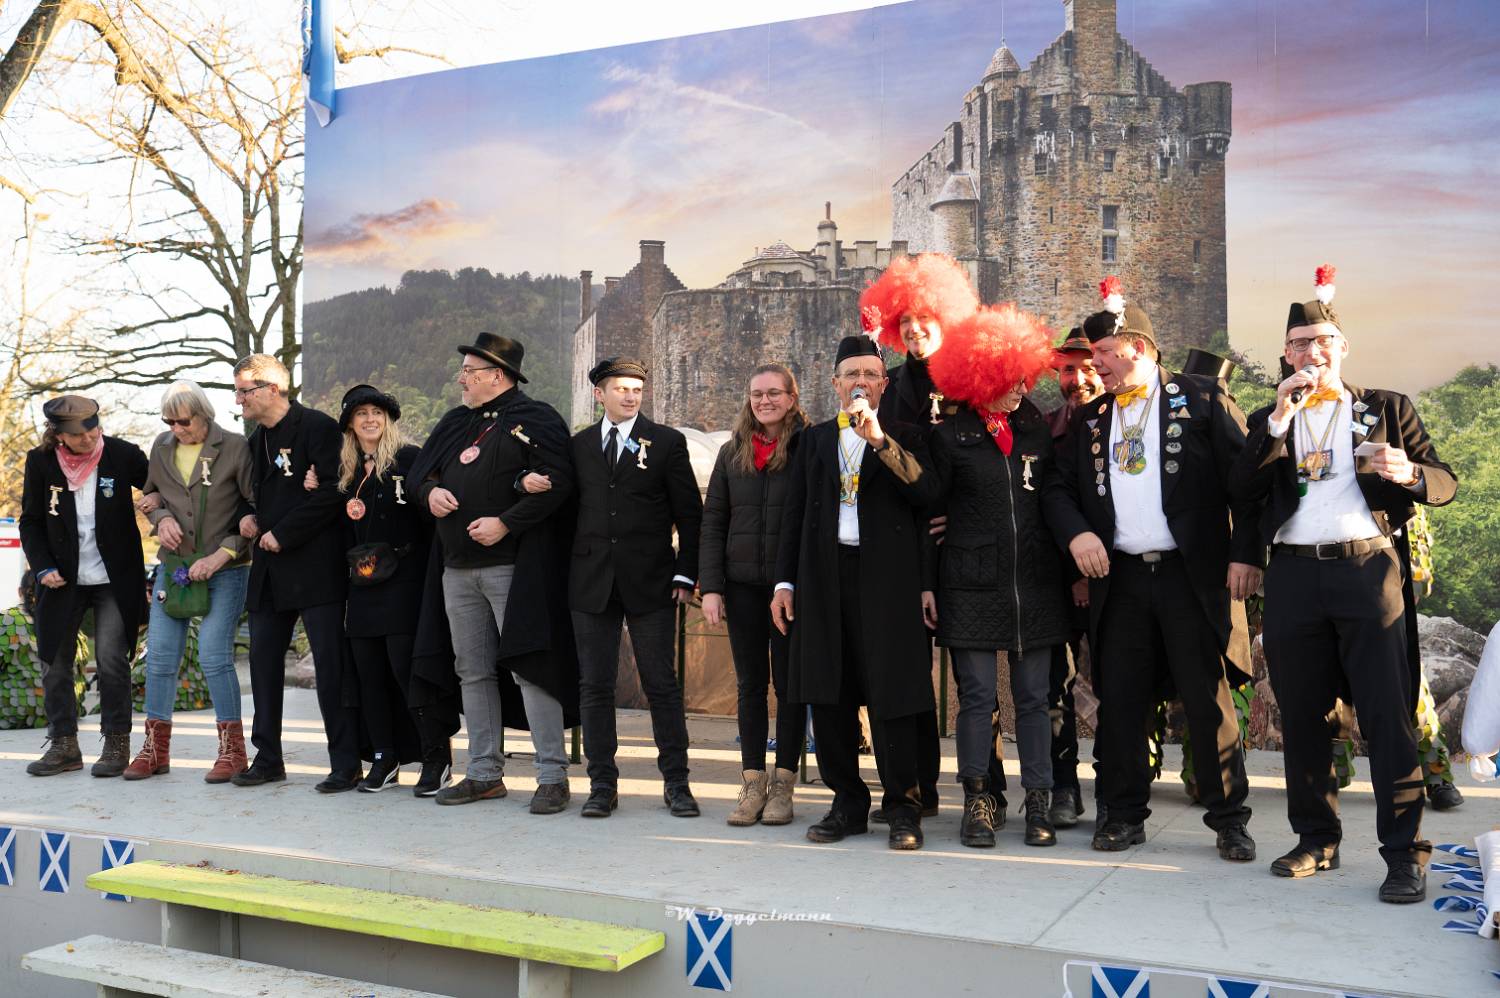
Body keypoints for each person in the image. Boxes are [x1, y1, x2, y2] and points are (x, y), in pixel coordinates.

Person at [1228, 265, 1456, 903]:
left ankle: (1404, 855)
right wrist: (1278, 421)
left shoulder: (1386, 408)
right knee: (1303, 717)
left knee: (1386, 715)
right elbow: (1241, 490)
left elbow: (1443, 482)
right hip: (1295, 574)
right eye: (1299, 343)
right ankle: (1316, 839)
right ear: (1285, 355)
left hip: (1368, 571)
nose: (1312, 352)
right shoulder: (1268, 417)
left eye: (1322, 341)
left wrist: (1409, 472)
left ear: (1342, 347)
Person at [1043, 277, 1261, 862]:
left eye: (1104, 354)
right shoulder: (1092, 419)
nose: (1096, 366)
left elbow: (1246, 481)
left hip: (1190, 578)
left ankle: (1229, 821)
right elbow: (1058, 489)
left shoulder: (1202, 399)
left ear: (1138, 347)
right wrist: (1078, 534)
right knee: (1121, 701)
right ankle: (1121, 816)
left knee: (1207, 700)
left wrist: (1246, 554)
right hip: (1122, 581)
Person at [771, 335, 941, 850]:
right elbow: (793, 514)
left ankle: (903, 807)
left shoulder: (907, 435)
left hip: (889, 579)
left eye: (870, 374)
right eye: (852, 374)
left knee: (894, 694)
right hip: (824, 578)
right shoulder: (814, 440)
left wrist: (880, 442)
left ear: (884, 384)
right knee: (830, 693)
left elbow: (927, 494)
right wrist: (784, 582)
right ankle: (847, 802)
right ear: (836, 383)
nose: (861, 382)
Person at [858, 252, 1001, 823]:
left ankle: (986, 790)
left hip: (967, 544)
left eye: (926, 318)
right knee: (909, 672)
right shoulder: (890, 387)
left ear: (947, 316)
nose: (916, 329)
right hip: (907, 545)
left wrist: (957, 517)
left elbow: (994, 465)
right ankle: (915, 787)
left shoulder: (974, 381)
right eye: (908, 321)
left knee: (975, 678)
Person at [411, 333, 578, 812]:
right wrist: (430, 493)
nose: (461, 379)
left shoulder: (536, 418)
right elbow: (421, 474)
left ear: (497, 375)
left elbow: (559, 484)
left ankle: (552, 776)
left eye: (470, 371)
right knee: (472, 671)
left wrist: (506, 522)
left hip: (514, 568)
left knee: (529, 667)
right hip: (457, 569)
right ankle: (484, 772)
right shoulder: (455, 422)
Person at [926, 305, 1070, 847]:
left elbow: (1053, 498)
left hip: (1034, 582)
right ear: (980, 379)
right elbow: (928, 509)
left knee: (1034, 698)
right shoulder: (949, 437)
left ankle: (1038, 802)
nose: (1020, 389)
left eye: (1024, 379)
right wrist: (927, 581)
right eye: (1009, 380)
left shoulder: (1036, 430)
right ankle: (979, 800)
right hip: (970, 584)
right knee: (977, 698)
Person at [570, 357, 703, 819]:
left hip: (652, 581)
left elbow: (690, 516)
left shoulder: (666, 442)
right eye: (620, 388)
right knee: (595, 685)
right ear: (599, 394)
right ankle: (602, 784)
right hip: (591, 583)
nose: (630, 396)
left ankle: (677, 783)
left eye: (637, 389)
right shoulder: (579, 446)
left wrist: (686, 573)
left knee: (660, 683)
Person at [231, 354, 362, 792]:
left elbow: (333, 491)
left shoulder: (318, 428)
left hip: (315, 568)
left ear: (272, 389)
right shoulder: (256, 440)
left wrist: (283, 534)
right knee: (263, 663)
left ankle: (345, 764)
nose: (239, 399)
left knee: (330, 667)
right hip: (269, 572)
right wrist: (246, 517)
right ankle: (268, 758)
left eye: (244, 391)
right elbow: (249, 495)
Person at [322, 385, 451, 795]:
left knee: (407, 671)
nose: (370, 419)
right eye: (361, 413)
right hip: (362, 586)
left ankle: (436, 758)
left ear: (388, 419)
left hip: (404, 582)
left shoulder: (410, 459)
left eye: (376, 412)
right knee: (369, 674)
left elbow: (431, 520)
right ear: (350, 424)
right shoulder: (346, 472)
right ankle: (384, 757)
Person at [699, 363, 811, 826]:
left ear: (791, 398)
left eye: (774, 393)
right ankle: (752, 782)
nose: (764, 401)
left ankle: (783, 784)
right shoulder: (732, 453)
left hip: (790, 589)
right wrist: (711, 587)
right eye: (757, 394)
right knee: (749, 686)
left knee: (789, 686)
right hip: (742, 586)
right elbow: (713, 522)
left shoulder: (808, 448)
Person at [128, 381, 254, 783]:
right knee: (160, 658)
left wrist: (223, 554)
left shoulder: (235, 447)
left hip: (226, 568)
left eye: (183, 421)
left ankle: (233, 753)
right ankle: (154, 751)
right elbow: (151, 496)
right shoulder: (161, 446)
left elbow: (254, 508)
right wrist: (160, 517)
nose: (176, 429)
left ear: (204, 415)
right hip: (174, 568)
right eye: (169, 421)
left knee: (214, 655)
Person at [19, 396, 148, 777]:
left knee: (111, 659)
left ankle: (116, 743)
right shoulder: (40, 462)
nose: (90, 438)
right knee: (55, 661)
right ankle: (64, 745)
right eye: (79, 435)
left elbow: (161, 484)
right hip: (62, 578)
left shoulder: (122, 454)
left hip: (113, 577)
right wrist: (42, 566)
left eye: (93, 430)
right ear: (59, 435)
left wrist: (155, 499)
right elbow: (31, 521)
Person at [1041, 327, 1105, 830]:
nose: (1077, 379)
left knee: (1116, 685)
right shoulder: (1044, 430)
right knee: (1053, 690)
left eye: (1086, 368)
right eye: (1067, 369)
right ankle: (1063, 786)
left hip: (1112, 580)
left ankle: (1115, 785)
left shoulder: (1126, 424)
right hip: (1055, 583)